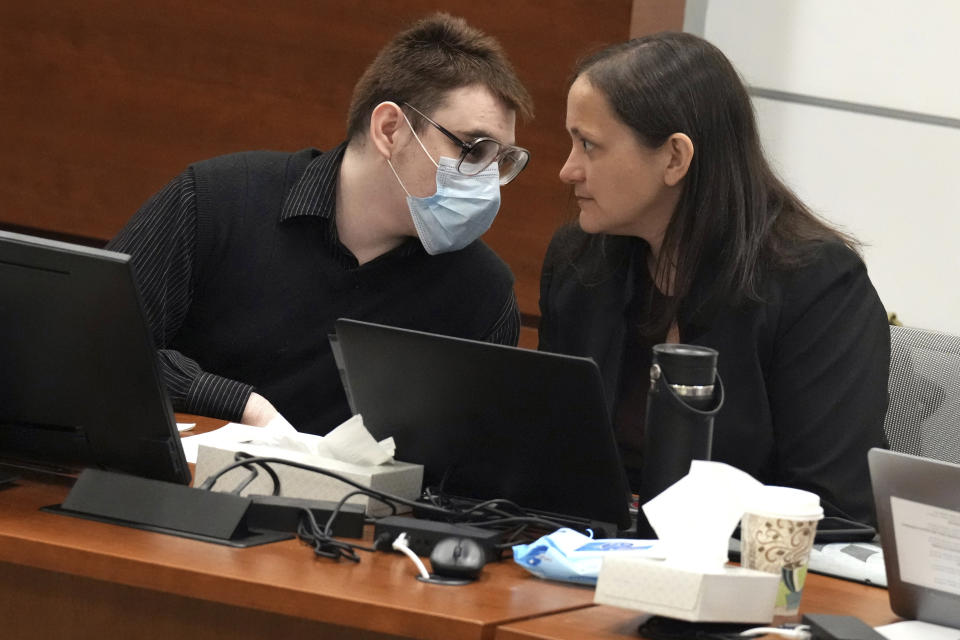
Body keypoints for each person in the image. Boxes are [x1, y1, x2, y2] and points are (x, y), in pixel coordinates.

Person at [108, 13, 534, 434]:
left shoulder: (482, 293)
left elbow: (467, 466)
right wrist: (241, 405)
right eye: (474, 150)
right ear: (390, 130)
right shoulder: (216, 200)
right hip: (172, 490)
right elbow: (95, 341)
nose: (488, 182)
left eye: (503, 160)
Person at [538, 32, 889, 527]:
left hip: (752, 578)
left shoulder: (819, 285)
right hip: (591, 560)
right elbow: (550, 456)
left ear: (675, 158)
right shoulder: (579, 261)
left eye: (589, 145)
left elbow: (833, 509)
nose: (567, 170)